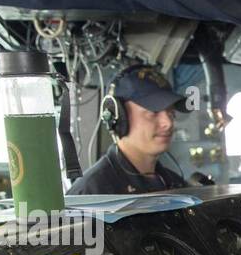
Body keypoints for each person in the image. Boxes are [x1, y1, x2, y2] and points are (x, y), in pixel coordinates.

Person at [68, 64, 188, 195]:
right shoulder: (89, 194)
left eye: (171, 113)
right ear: (118, 115)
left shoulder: (175, 184)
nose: (168, 123)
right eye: (153, 111)